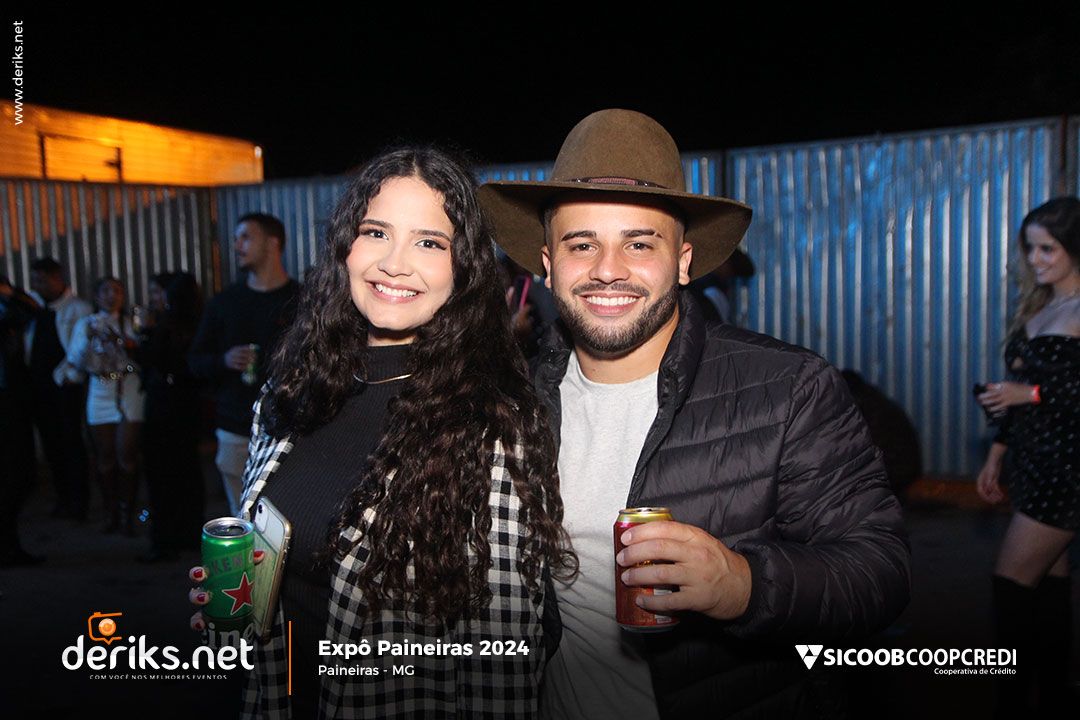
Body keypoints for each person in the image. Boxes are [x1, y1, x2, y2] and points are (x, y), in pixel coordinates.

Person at [478, 109, 911, 719]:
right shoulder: (510, 401)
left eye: (639, 243)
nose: (608, 269)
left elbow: (880, 572)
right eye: (582, 245)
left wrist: (743, 585)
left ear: (683, 261)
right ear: (547, 265)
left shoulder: (787, 389)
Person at [188, 146, 576, 718]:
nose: (395, 263)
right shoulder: (289, 392)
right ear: (345, 247)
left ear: (463, 268)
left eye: (429, 242)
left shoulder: (492, 423)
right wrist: (241, 598)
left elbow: (500, 664)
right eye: (376, 232)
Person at [975, 196, 1080, 716]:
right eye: (1030, 249)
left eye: (1047, 249)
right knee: (1050, 585)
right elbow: (1020, 392)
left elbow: (1048, 391)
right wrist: (997, 453)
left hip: (1067, 470)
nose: (1035, 260)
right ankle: (1054, 696)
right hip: (1033, 463)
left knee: (1011, 583)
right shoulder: (1040, 307)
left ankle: (1011, 702)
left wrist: (1030, 393)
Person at [187, 213, 300, 515]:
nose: (237, 245)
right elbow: (195, 361)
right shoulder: (224, 303)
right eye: (236, 239)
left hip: (290, 430)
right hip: (236, 429)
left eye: (245, 237)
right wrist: (223, 360)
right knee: (242, 520)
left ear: (272, 243)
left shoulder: (303, 301)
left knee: (287, 518)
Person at [67, 277, 146, 535]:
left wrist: (123, 341)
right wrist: (87, 340)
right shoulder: (86, 324)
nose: (111, 296)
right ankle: (111, 512)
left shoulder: (131, 323)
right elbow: (75, 360)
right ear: (97, 296)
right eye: (106, 291)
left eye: (117, 291)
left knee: (127, 453)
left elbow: (144, 356)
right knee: (105, 456)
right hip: (100, 389)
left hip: (128, 387)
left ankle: (127, 514)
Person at [136, 272, 205, 562]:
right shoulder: (199, 321)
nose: (155, 298)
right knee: (188, 470)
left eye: (158, 292)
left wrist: (144, 336)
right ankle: (189, 533)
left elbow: (153, 359)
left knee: (162, 473)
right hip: (187, 404)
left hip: (164, 403)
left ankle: (164, 540)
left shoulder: (166, 324)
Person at [25, 257, 92, 520]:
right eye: (34, 280)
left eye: (41, 280)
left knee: (70, 442)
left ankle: (78, 501)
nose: (36, 286)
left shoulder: (78, 309)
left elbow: (82, 350)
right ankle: (62, 497)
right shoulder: (33, 307)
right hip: (38, 387)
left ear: (57, 278)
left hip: (65, 387)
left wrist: (69, 376)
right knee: (51, 444)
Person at [0, 276, 46, 565]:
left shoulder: (9, 307)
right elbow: (29, 313)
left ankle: (10, 545)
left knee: (19, 475)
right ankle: (8, 547)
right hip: (6, 400)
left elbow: (33, 312)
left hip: (13, 397)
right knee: (14, 475)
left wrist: (10, 293)